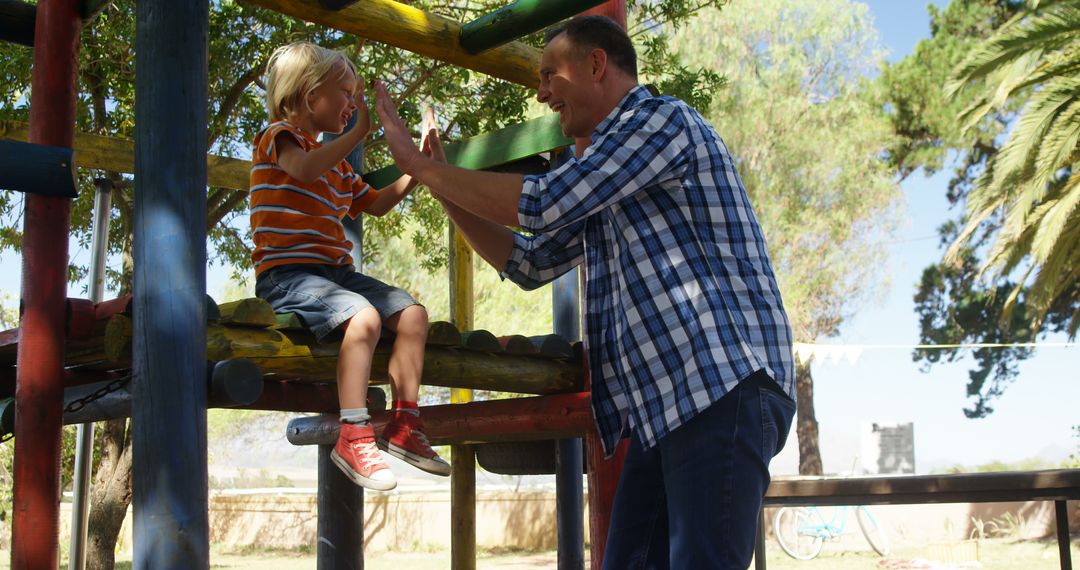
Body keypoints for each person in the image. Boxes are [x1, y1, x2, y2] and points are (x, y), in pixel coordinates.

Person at [378, 15, 797, 568]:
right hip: (666, 411)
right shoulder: (604, 174)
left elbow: (546, 203)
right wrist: (441, 184)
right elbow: (530, 260)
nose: (542, 90)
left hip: (721, 387)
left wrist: (419, 168)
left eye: (551, 73)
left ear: (596, 65)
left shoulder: (659, 122)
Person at [250, 42, 450, 492]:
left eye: (356, 95)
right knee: (364, 318)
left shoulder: (339, 167)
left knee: (413, 315)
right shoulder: (280, 137)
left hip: (333, 274)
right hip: (287, 275)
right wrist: (359, 132)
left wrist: (418, 167)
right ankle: (354, 433)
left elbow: (376, 205)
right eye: (345, 92)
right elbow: (301, 169)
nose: (352, 103)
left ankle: (404, 425)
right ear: (306, 94)